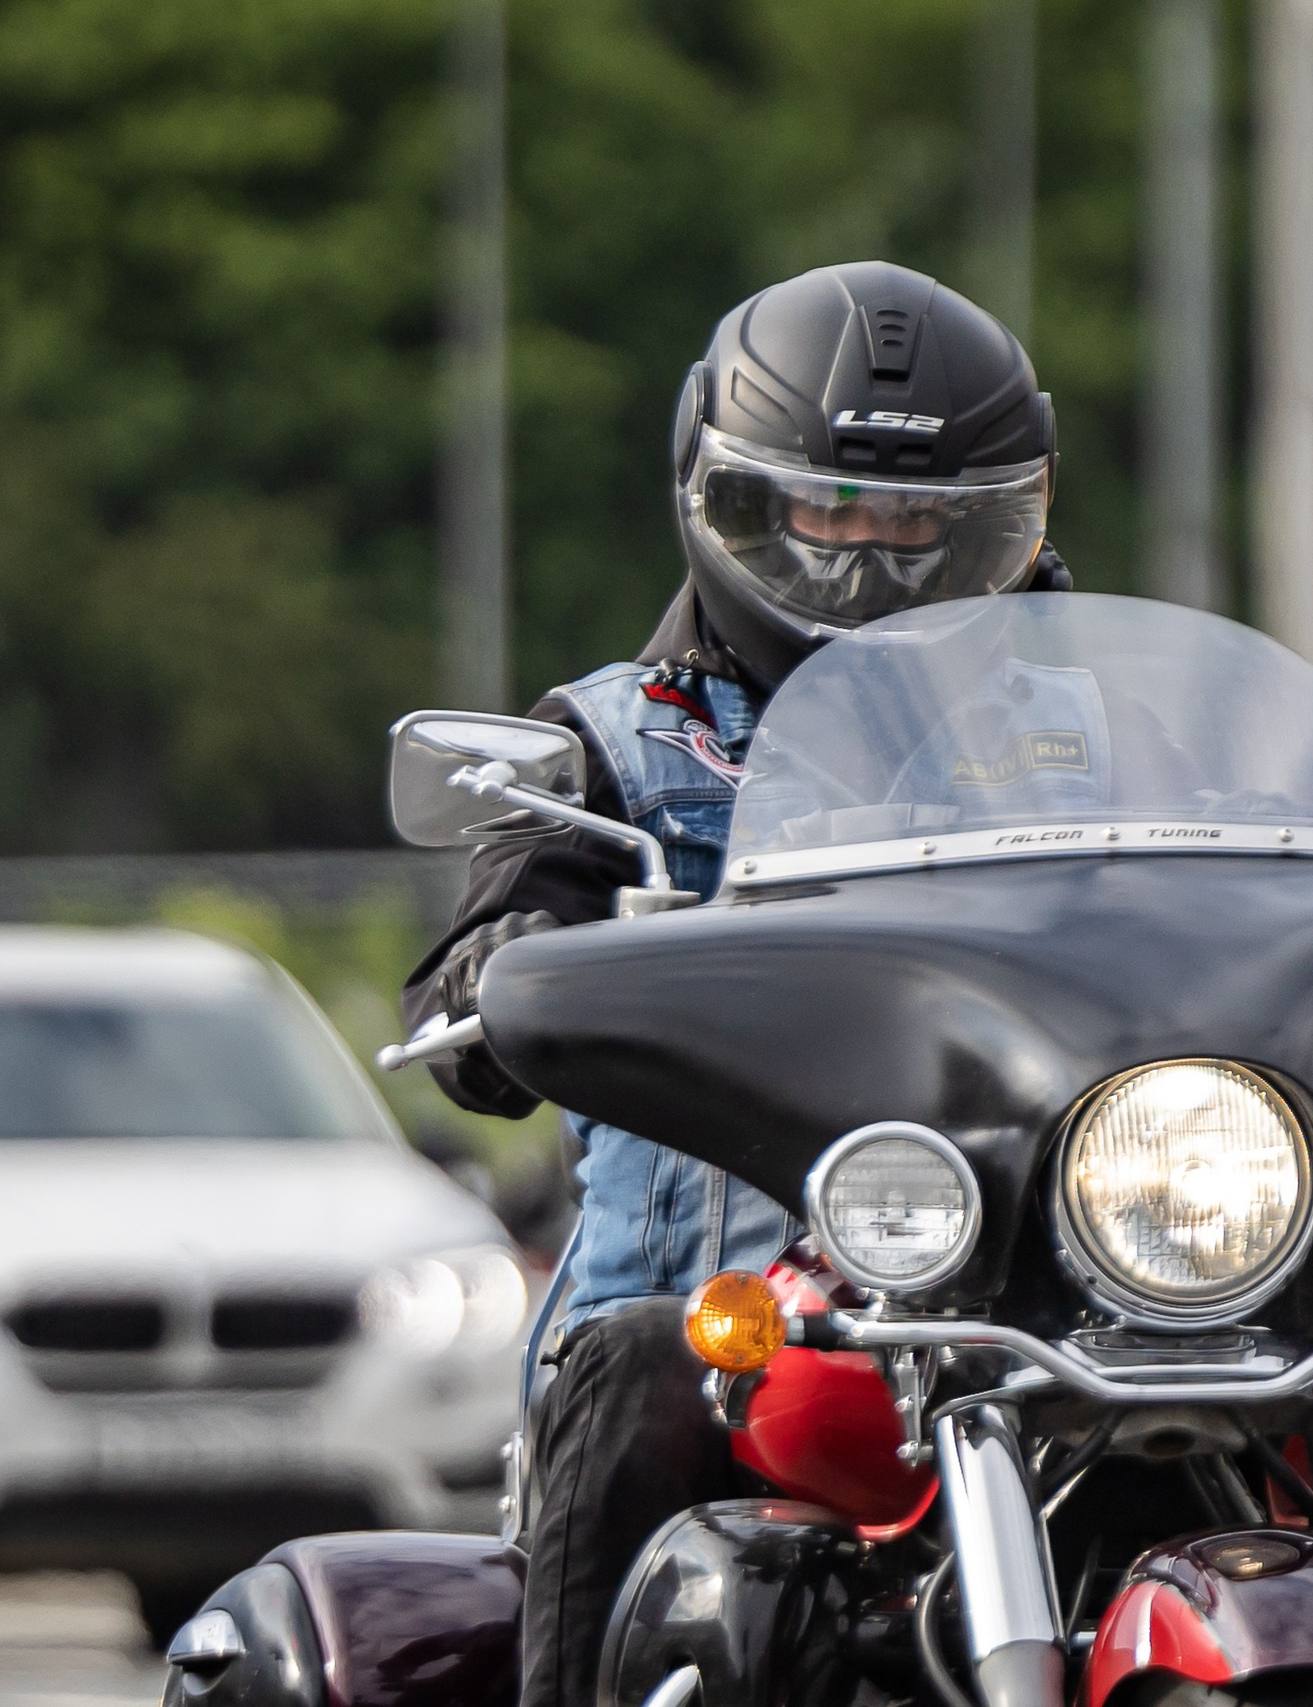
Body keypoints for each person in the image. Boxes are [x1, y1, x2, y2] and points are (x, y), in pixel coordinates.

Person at [400, 260, 1065, 1707]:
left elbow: (1251, 872)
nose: (876, 558)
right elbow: (464, 1009)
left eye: (925, 523)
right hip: (735, 1322)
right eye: (833, 511)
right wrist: (516, 968)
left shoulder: (1089, 727)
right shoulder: (610, 746)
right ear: (733, 503)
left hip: (1045, 1291)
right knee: (640, 1365)